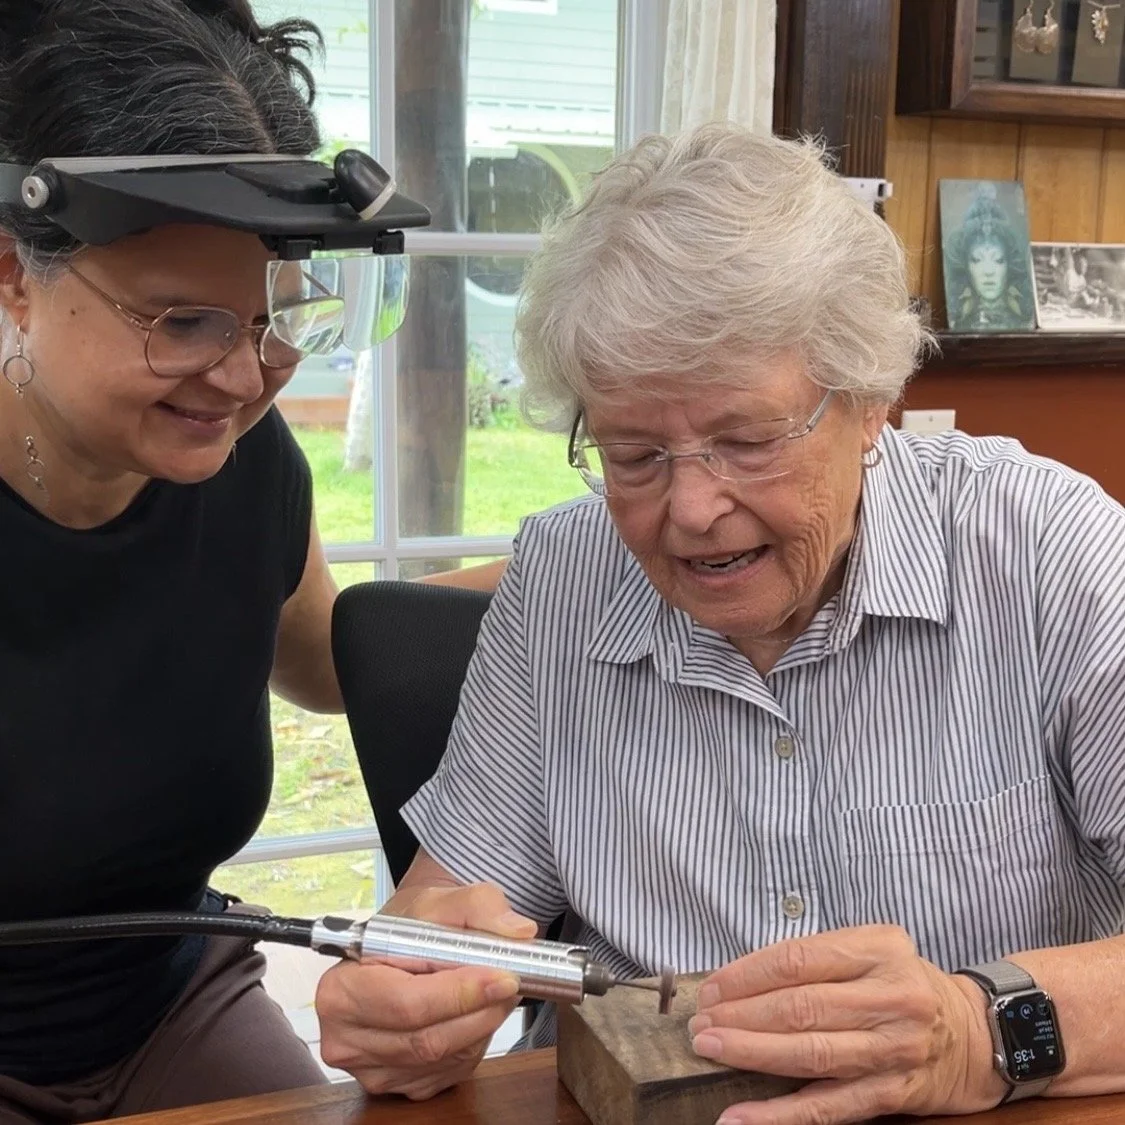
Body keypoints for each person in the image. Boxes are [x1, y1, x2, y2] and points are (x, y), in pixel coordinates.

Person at [316, 124, 1125, 1124]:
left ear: (869, 399)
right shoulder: (562, 579)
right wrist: (401, 1010)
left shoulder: (1050, 553)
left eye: (745, 441)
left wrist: (975, 1030)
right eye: (634, 454)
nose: (690, 509)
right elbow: (439, 928)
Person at [0, 2, 502, 1121]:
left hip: (168, 1008)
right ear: (14, 274)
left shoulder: (240, 462)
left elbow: (324, 657)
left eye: (275, 313)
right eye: (182, 322)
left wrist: (571, 563)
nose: (244, 375)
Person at [944, 190, 1036, 331]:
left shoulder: (1025, 322)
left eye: (998, 260)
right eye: (977, 260)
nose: (988, 272)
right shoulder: (959, 323)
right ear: (965, 266)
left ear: (1010, 264)